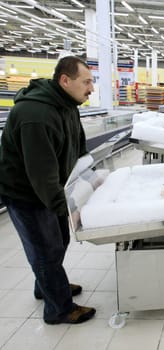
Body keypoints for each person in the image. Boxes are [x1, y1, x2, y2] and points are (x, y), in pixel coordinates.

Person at [0, 56, 97, 324]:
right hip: (25, 194)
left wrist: (89, 178)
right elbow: (41, 174)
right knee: (46, 250)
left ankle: (46, 286)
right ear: (65, 80)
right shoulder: (36, 116)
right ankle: (59, 309)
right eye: (86, 82)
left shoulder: (68, 104)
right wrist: (70, 210)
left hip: (50, 187)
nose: (91, 88)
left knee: (59, 242)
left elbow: (79, 146)